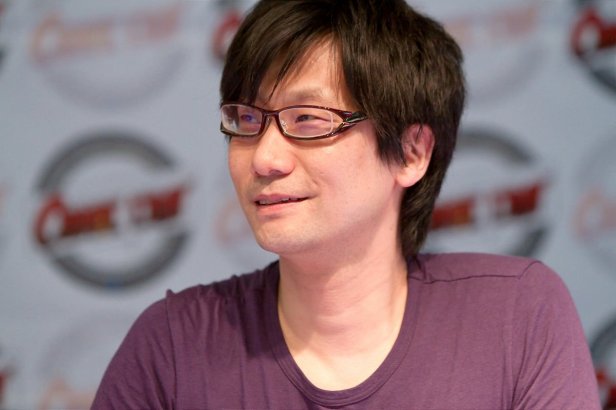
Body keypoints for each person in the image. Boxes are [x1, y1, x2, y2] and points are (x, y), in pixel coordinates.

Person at [92, 0, 601, 409]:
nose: (264, 158)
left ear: (411, 152)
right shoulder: (173, 347)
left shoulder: (516, 317)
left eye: (308, 120)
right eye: (247, 120)